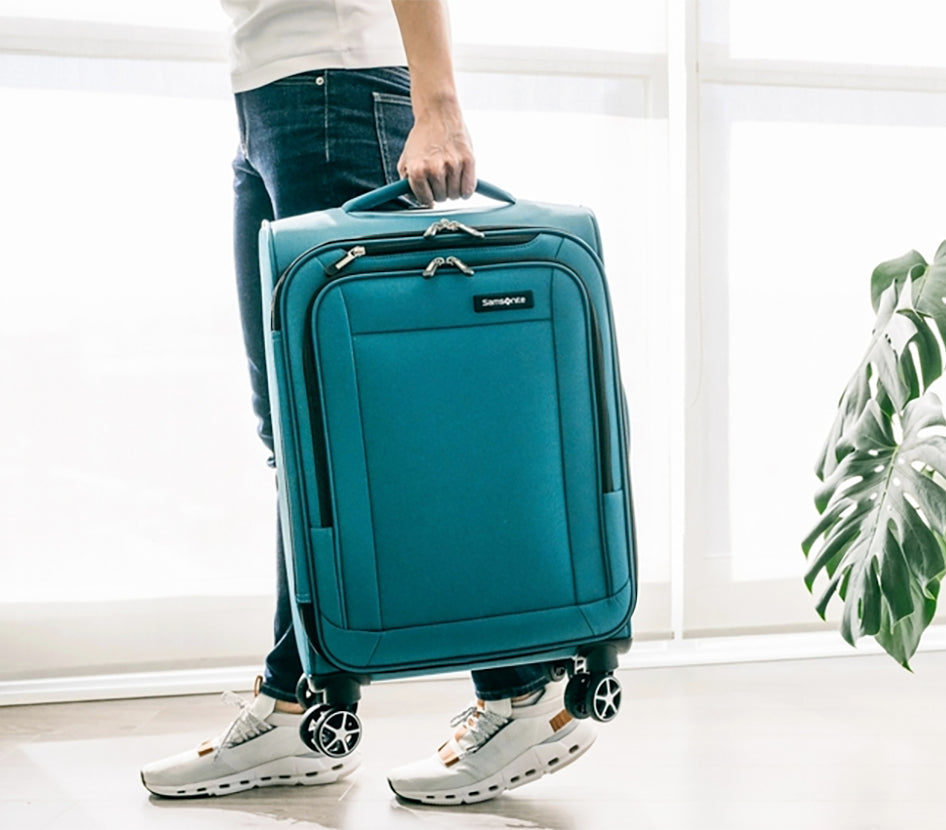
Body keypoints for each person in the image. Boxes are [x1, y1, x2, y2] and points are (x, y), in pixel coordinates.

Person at [140, 0, 595, 805]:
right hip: (271, 98)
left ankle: (524, 696)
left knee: (383, 426)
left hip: (339, 89)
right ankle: (302, 702)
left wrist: (438, 103)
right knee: (299, 434)